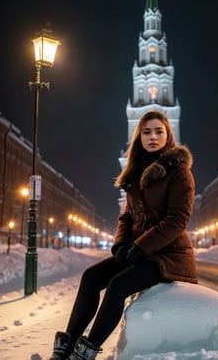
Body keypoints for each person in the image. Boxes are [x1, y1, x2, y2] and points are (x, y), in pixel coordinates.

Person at [49, 110, 198, 360]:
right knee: (91, 276)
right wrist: (121, 244)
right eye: (147, 132)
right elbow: (127, 216)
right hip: (141, 251)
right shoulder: (135, 172)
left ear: (168, 136)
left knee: (118, 285)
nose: (153, 137)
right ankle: (67, 346)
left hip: (169, 255)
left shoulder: (179, 171)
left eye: (159, 132)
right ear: (139, 136)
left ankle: (85, 352)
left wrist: (140, 248)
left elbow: (177, 220)